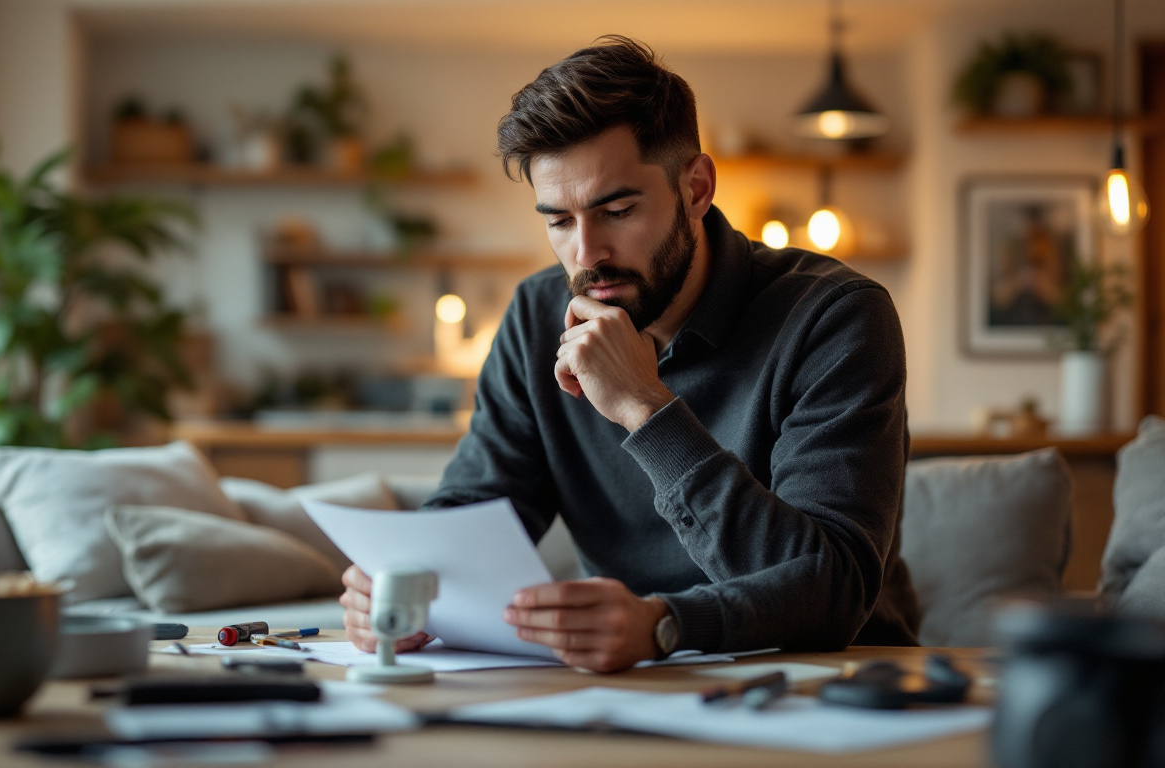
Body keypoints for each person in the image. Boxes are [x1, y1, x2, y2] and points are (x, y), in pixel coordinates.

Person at [341, 35, 920, 673]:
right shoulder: (537, 317)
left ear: (696, 189)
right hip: (627, 681)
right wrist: (401, 580)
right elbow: (477, 511)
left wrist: (645, 408)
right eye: (558, 221)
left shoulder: (835, 317)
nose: (587, 255)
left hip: (839, 683)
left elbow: (830, 592)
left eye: (616, 209)